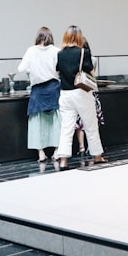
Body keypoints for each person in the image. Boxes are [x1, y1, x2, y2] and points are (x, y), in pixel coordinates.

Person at [54, 25, 106, 168]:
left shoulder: (60, 54)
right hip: (81, 92)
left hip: (65, 94)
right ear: (79, 37)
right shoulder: (84, 52)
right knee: (90, 125)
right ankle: (97, 156)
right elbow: (91, 72)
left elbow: (58, 71)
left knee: (66, 127)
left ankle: (63, 160)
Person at [17, 26, 60, 163]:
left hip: (38, 90)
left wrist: (33, 68)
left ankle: (41, 153)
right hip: (54, 88)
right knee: (57, 121)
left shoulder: (31, 50)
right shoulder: (56, 51)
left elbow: (21, 68)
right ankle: (57, 152)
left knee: (37, 122)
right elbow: (60, 69)